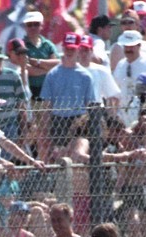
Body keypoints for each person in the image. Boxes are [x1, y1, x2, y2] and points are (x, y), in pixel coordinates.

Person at [37, 33, 97, 164]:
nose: (69, 52)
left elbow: (89, 105)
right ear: (63, 49)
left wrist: (85, 125)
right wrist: (45, 130)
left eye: (73, 49)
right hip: (58, 121)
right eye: (67, 48)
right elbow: (47, 106)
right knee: (58, 158)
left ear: (78, 50)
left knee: (76, 156)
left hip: (78, 121)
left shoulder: (85, 76)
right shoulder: (52, 74)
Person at [22, 11, 59, 99]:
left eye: (36, 24)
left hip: (48, 91)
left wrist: (37, 62)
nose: (33, 27)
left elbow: (57, 64)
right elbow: (27, 69)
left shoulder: (48, 45)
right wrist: (47, 68)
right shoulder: (21, 46)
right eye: (29, 25)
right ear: (25, 27)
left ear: (42, 25)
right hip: (29, 92)